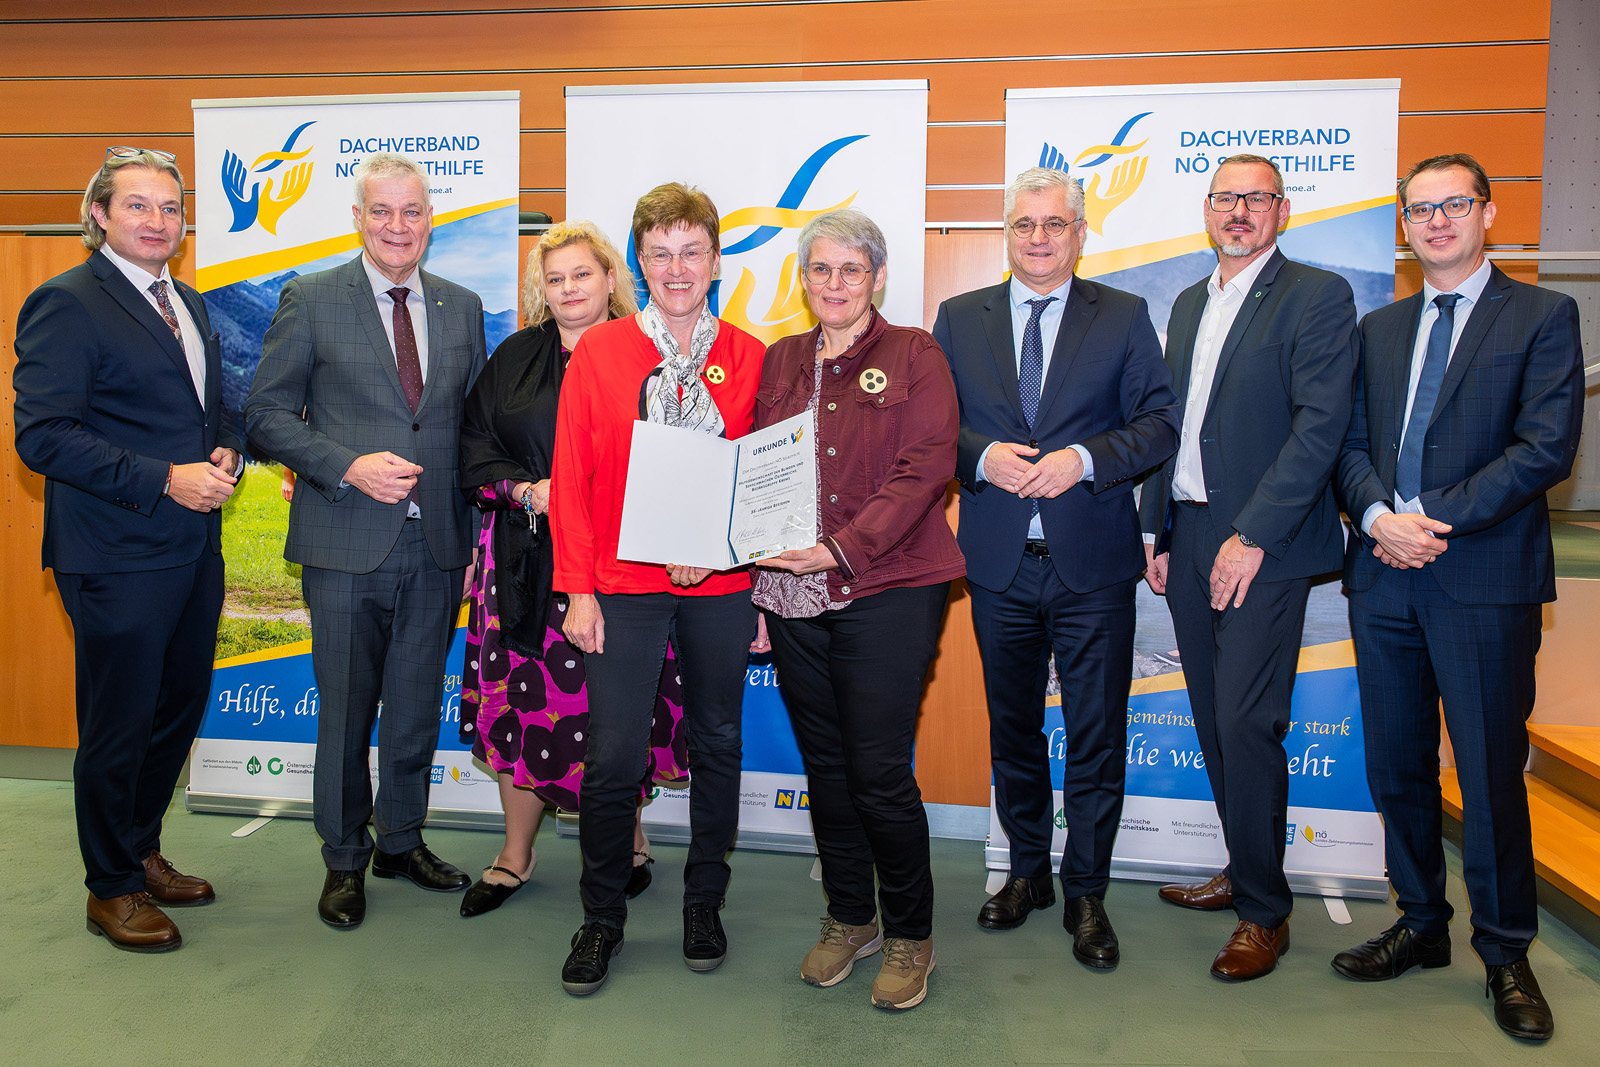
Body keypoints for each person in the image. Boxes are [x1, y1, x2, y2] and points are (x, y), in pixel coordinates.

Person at [1332, 153, 1583, 1041]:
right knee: (1396, 764)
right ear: (1404, 226)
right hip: (1383, 575)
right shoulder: (1379, 328)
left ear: (1487, 212)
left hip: (1481, 578)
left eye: (1454, 204)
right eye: (1420, 209)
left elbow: (1544, 447)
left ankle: (1506, 950)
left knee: (1486, 772)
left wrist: (1426, 518)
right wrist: (1376, 516)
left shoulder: (1543, 315)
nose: (1436, 221)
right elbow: (1348, 444)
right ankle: (1421, 922)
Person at [933, 167, 1179, 969]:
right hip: (999, 564)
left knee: (1097, 734)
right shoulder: (960, 317)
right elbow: (932, 426)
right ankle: (1027, 872)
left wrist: (1084, 458)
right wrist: (982, 457)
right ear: (1007, 232)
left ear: (1079, 232)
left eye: (1054, 223)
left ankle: (1087, 891)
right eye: (1024, 224)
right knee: (1013, 730)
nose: (1038, 238)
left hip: (1094, 567)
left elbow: (1160, 423)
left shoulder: (1124, 315)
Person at [244, 153, 486, 930]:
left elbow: (474, 431)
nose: (397, 226)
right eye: (381, 210)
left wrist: (477, 533)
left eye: (411, 211)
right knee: (347, 713)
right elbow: (265, 415)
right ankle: (345, 858)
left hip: (438, 545)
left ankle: (401, 841)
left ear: (429, 220)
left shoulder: (461, 306)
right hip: (344, 542)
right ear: (358, 218)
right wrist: (345, 464)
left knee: (414, 709)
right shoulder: (312, 298)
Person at [14, 147, 241, 952]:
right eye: (138, 205)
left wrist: (225, 448)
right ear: (100, 215)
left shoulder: (189, 301)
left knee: (175, 710)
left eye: (170, 207)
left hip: (193, 549)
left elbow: (206, 408)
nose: (157, 220)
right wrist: (165, 479)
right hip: (115, 554)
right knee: (119, 724)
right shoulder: (67, 302)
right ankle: (109, 886)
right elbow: (43, 435)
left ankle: (140, 849)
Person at [1137, 153, 1357, 981]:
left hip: (1264, 543)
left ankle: (1265, 912)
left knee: (1246, 723)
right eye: (1226, 197)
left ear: (1282, 210)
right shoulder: (1191, 301)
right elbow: (1172, 423)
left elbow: (1320, 427)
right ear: (1207, 210)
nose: (1239, 211)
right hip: (1190, 533)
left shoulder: (1317, 296)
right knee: (1211, 716)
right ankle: (1243, 866)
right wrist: (1157, 527)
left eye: (1256, 198)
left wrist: (1253, 532)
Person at [550, 182, 765, 995]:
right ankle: (601, 916)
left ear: (715, 259)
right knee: (612, 756)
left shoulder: (750, 355)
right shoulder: (601, 352)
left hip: (721, 582)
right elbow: (572, 476)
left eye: (691, 251)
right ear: (639, 263)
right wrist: (577, 589)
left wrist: (744, 568)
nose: (677, 268)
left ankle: (704, 900)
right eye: (660, 253)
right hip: (620, 581)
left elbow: (761, 479)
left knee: (719, 742)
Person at [753, 209, 965, 1010]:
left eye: (850, 269)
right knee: (829, 768)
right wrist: (754, 571)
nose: (834, 284)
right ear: (803, 278)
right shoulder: (780, 359)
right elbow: (753, 471)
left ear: (876, 276)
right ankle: (850, 916)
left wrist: (841, 547)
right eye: (820, 269)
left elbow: (926, 466)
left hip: (889, 586)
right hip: (793, 593)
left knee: (877, 771)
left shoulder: (915, 352)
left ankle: (911, 933)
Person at [456, 220, 683, 917]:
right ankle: (514, 854)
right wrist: (528, 491)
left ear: (611, 279)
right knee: (522, 710)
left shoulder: (652, 353)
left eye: (582, 274)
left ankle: (630, 843)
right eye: (554, 279)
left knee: (618, 709)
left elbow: (680, 455)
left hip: (622, 568)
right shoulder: (514, 356)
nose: (569, 289)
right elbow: (474, 447)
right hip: (524, 565)